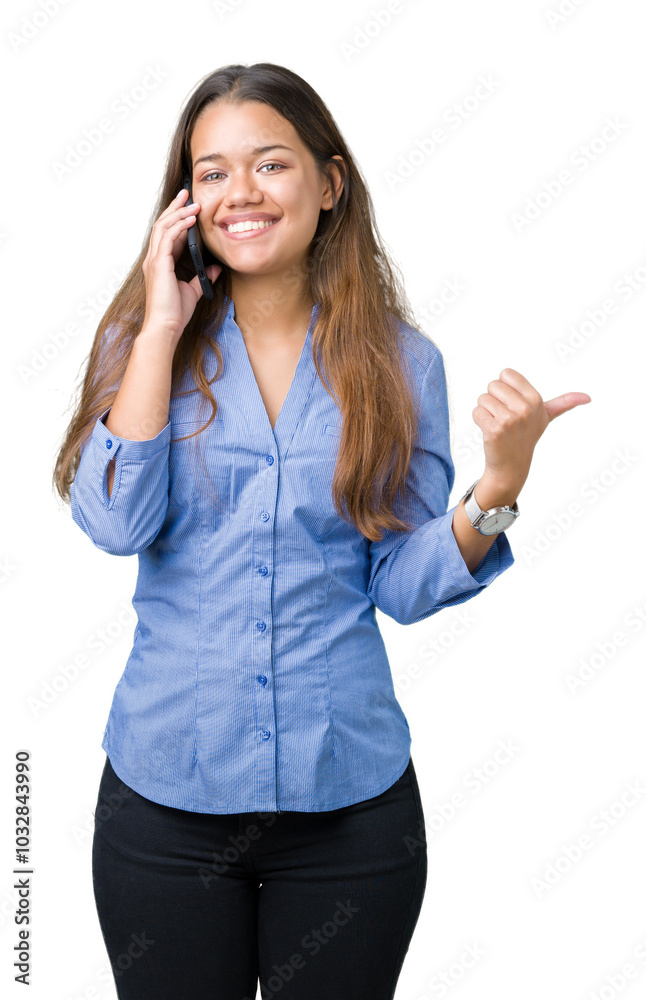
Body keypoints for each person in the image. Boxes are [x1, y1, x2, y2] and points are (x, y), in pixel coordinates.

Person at [53, 62, 591, 1000]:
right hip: (166, 806)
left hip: (350, 810)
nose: (240, 192)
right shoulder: (141, 349)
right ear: (186, 201)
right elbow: (114, 522)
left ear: (330, 182)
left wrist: (500, 484)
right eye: (212, 172)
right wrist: (159, 331)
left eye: (270, 163)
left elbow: (401, 584)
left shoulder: (402, 363)